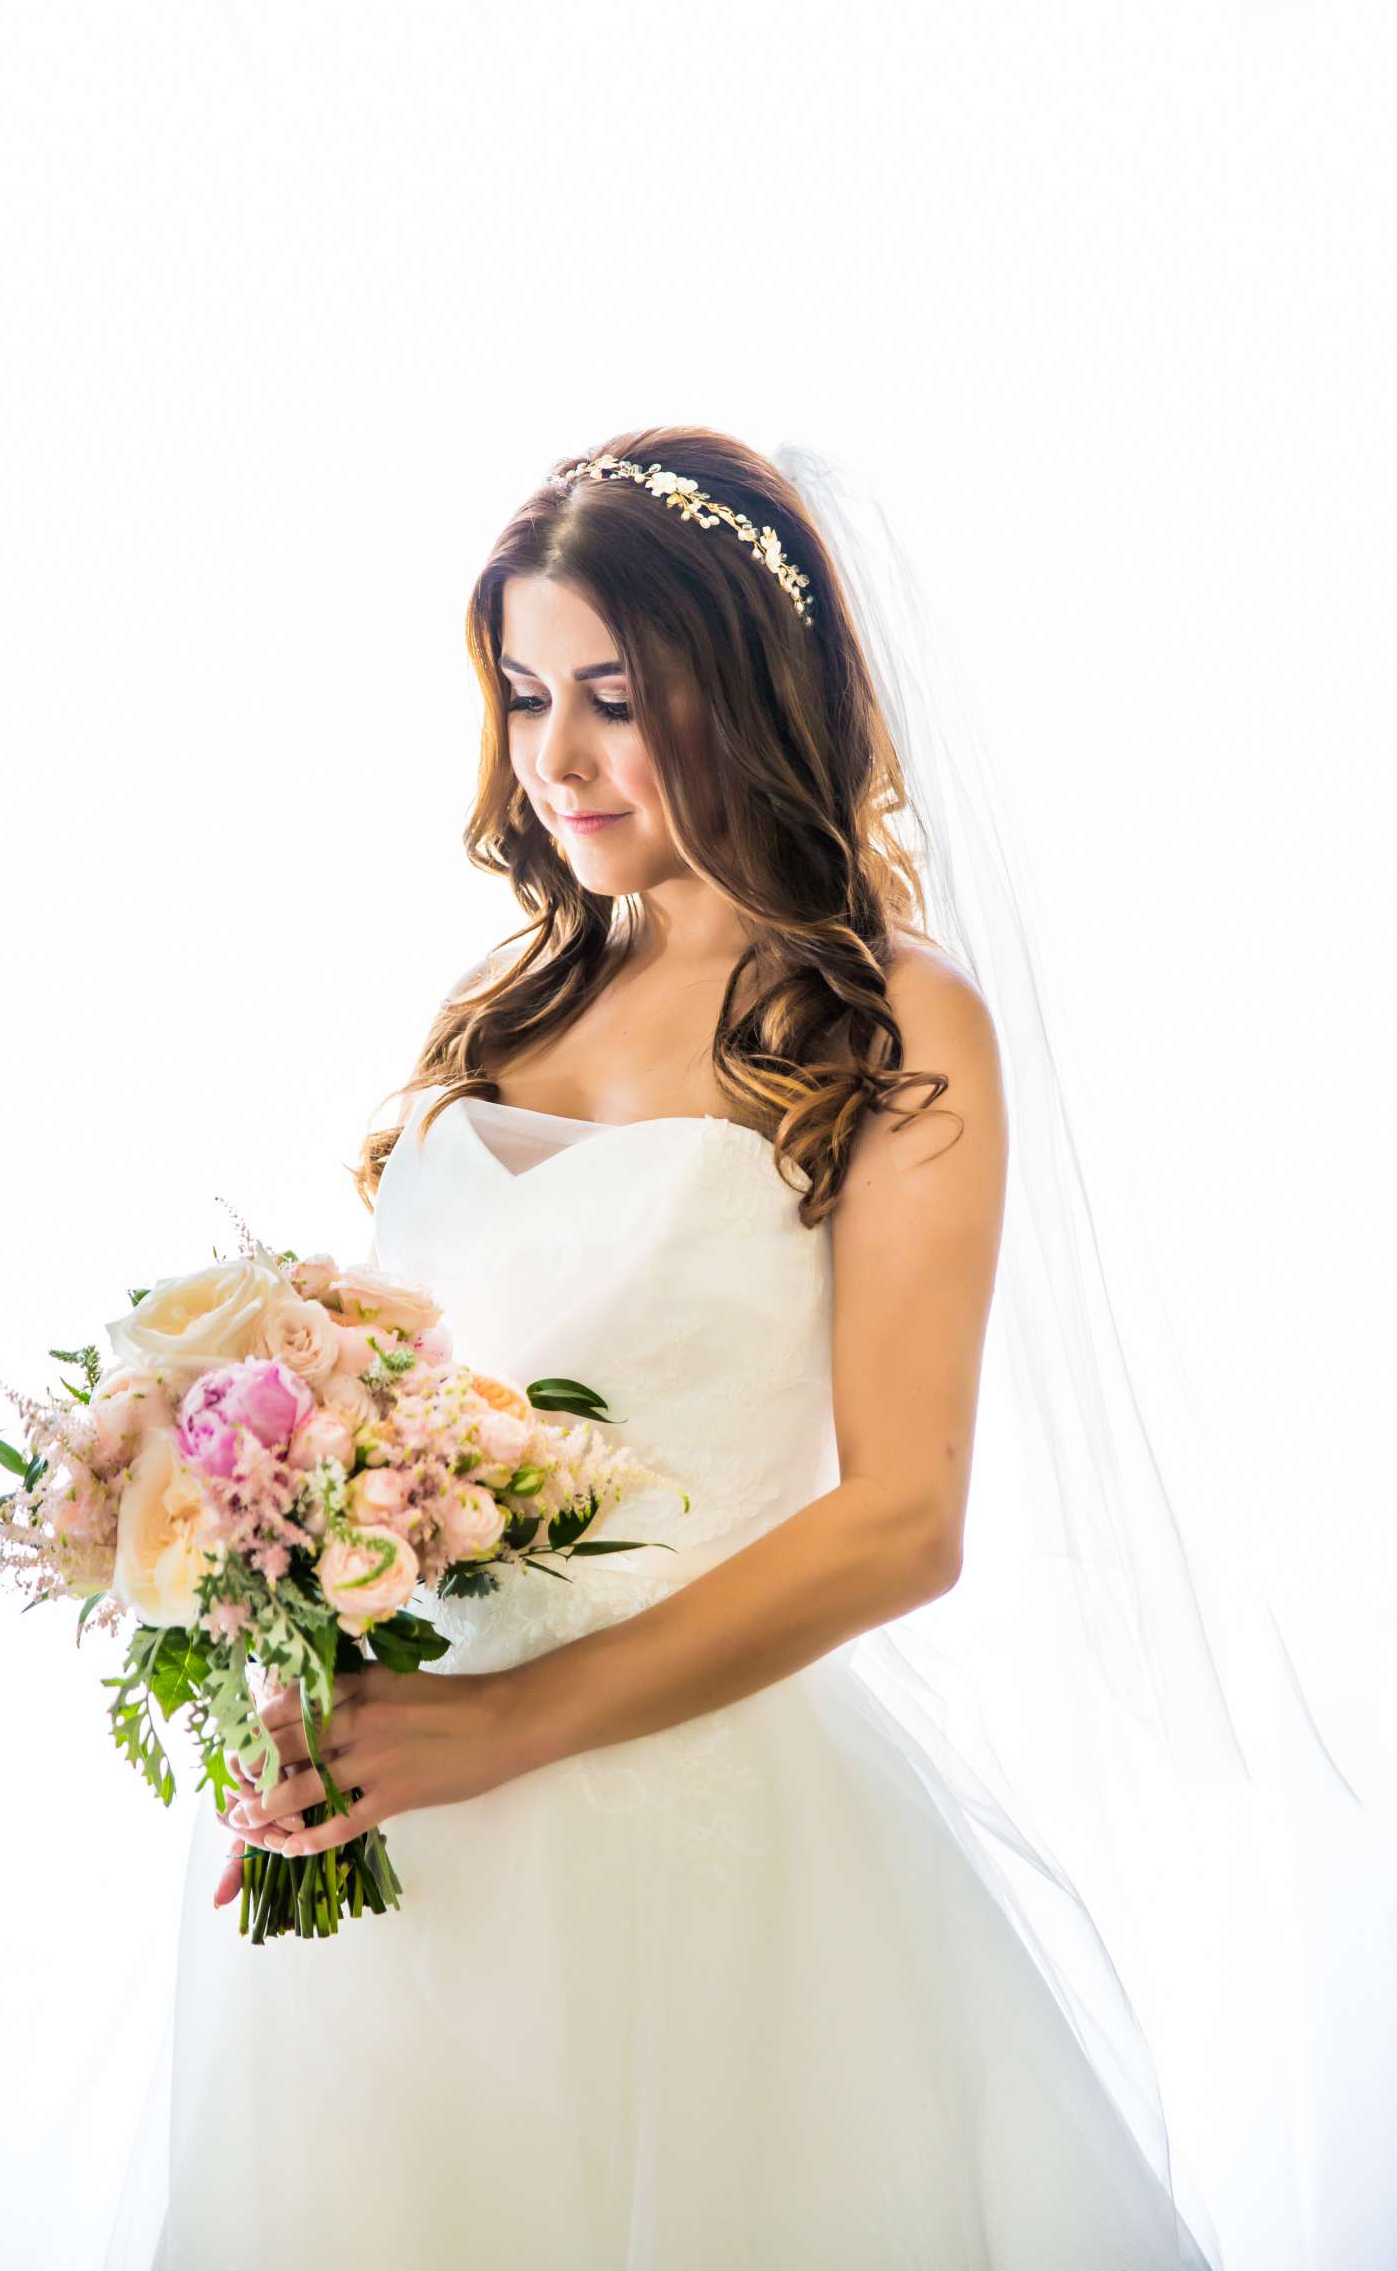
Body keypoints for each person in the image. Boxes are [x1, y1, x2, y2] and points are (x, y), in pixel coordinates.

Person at [105, 428, 1219, 2267]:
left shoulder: (885, 1019)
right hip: (406, 1820)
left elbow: (906, 1519)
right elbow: (415, 1407)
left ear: (759, 689)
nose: (558, 759)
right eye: (530, 693)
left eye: (619, 698)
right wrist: (299, 1624)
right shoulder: (514, 996)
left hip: (682, 1826)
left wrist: (504, 1729)